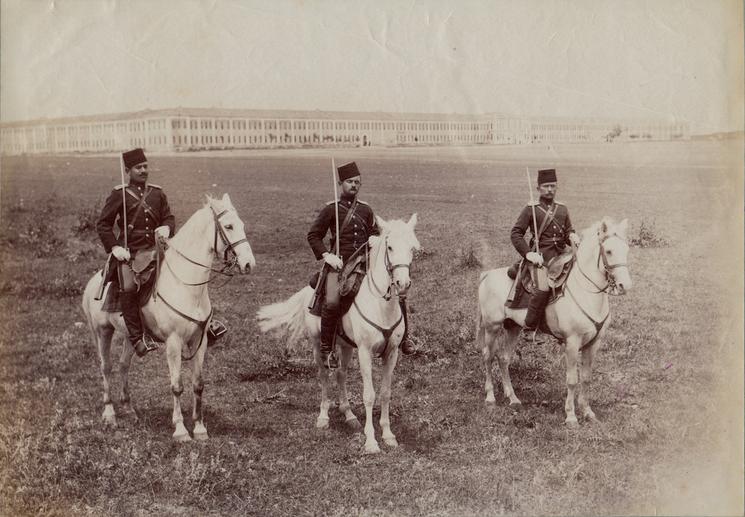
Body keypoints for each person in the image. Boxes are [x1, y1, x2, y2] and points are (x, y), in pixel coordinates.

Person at [307, 161, 414, 369]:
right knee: (331, 303)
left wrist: (375, 238)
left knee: (396, 292)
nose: (354, 185)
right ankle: (328, 350)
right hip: (337, 266)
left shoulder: (366, 209)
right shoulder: (331, 210)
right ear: (341, 183)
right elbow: (313, 235)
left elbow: (374, 231)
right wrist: (327, 255)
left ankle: (405, 339)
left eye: (357, 182)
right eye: (349, 182)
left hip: (364, 264)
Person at [96, 148, 175, 357]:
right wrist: (115, 247)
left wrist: (167, 227)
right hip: (130, 253)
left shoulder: (157, 193)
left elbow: (168, 217)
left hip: (157, 250)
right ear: (128, 170)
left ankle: (206, 324)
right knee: (129, 288)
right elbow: (103, 225)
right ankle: (137, 338)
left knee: (185, 273)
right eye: (138, 167)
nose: (143, 170)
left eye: (145, 166)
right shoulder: (119, 194)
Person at [510, 168, 580, 345]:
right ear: (538, 188)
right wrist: (529, 254)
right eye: (546, 186)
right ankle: (529, 328)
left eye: (553, 186)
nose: (550, 189)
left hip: (562, 257)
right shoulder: (531, 209)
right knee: (542, 289)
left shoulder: (562, 209)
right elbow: (516, 233)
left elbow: (568, 231)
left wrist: (572, 235)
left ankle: (569, 324)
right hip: (541, 258)